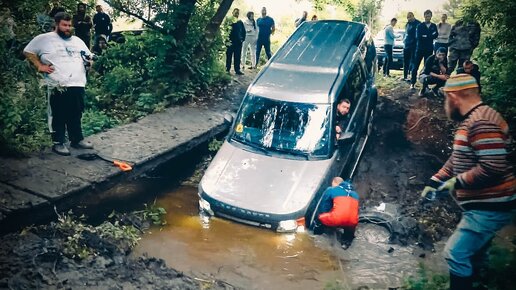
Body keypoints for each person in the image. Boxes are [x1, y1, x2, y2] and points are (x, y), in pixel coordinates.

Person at [420, 74, 515, 290]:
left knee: (456, 253)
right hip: (487, 203)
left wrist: (456, 183)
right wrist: (435, 180)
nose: (445, 104)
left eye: (445, 98)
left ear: (453, 97)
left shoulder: (481, 122)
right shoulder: (476, 118)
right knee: (475, 255)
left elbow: (493, 166)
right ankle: (480, 283)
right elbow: (459, 157)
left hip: (491, 204)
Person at [23, 12, 94, 156]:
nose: (68, 28)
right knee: (58, 114)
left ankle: (76, 139)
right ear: (56, 24)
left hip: (78, 83)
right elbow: (28, 51)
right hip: (57, 84)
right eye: (64, 25)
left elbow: (89, 57)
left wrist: (89, 63)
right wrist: (39, 66)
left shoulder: (77, 41)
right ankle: (58, 142)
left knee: (76, 112)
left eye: (69, 25)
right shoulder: (44, 39)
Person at [312, 177, 360, 249]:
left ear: (334, 183)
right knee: (350, 229)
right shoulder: (356, 195)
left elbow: (324, 207)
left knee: (319, 219)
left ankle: (315, 235)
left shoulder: (331, 189)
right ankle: (346, 243)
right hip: (353, 222)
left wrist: (323, 217)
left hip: (337, 219)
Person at [410, 10, 438, 89]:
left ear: (431, 16)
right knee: (415, 66)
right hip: (420, 49)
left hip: (429, 49)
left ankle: (425, 85)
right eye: (426, 16)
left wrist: (425, 35)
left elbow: (436, 35)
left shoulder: (433, 26)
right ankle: (412, 82)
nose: (427, 17)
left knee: (427, 67)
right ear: (424, 16)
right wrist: (430, 35)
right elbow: (418, 37)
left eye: (429, 16)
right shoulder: (420, 26)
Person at [224, 8, 245, 75]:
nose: (237, 14)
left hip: (238, 42)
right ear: (232, 13)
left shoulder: (240, 22)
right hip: (230, 41)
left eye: (238, 13)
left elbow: (243, 31)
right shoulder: (228, 20)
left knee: (237, 56)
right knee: (229, 56)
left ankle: (237, 70)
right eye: (235, 13)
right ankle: (227, 69)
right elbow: (225, 29)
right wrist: (226, 39)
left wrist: (242, 39)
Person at [403, 12, 420, 81]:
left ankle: (412, 77)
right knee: (406, 61)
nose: (409, 18)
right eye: (407, 17)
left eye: (410, 17)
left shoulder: (418, 23)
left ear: (413, 16)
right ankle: (405, 76)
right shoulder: (407, 24)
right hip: (407, 45)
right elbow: (406, 34)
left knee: (413, 62)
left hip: (414, 46)